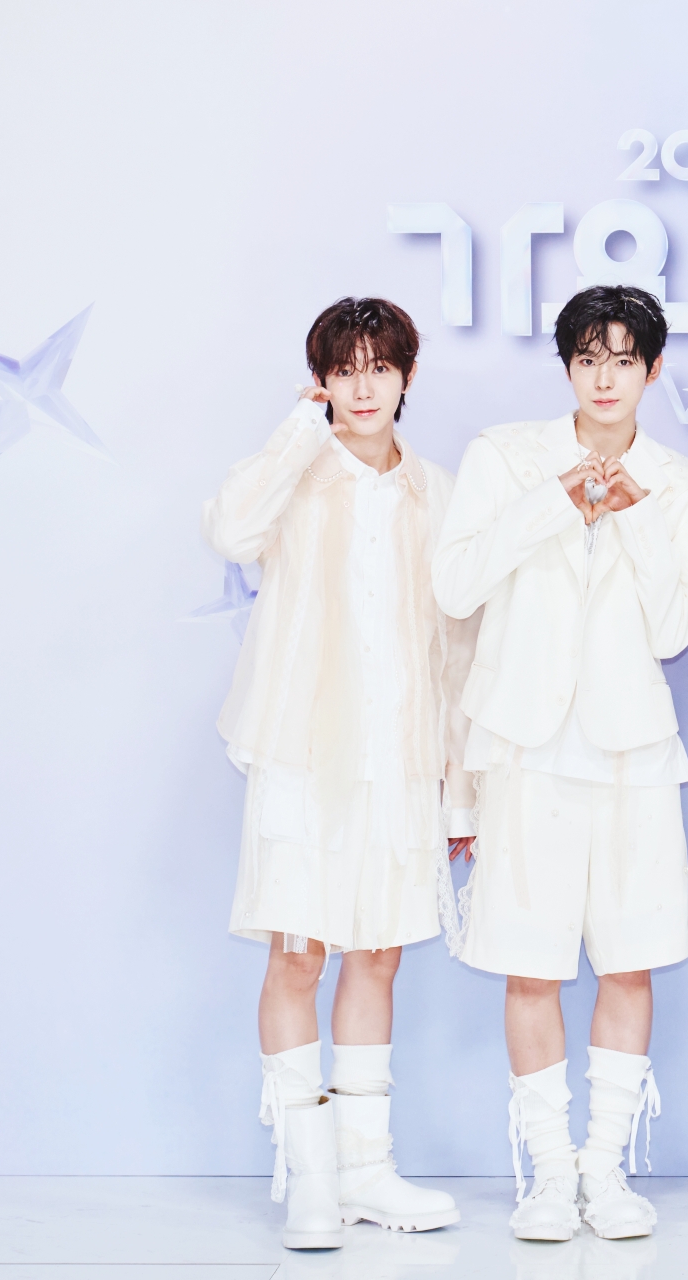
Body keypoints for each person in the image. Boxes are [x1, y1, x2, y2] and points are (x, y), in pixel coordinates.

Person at [432, 285, 688, 1243]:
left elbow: (675, 630)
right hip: (526, 746)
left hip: (632, 750)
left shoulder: (678, 481)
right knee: (530, 965)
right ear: (567, 367)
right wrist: (556, 502)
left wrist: (632, 515)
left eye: (624, 360)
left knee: (629, 963)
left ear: (652, 370)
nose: (605, 378)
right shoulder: (506, 457)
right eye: (589, 359)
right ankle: (549, 1174)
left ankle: (606, 1171)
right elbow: (455, 584)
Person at [204, 297, 474, 1250]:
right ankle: (310, 1179)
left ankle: (366, 1169)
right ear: (322, 380)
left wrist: (459, 788)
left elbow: (455, 647)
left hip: (399, 761)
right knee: (298, 953)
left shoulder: (437, 492)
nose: (364, 388)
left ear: (407, 376)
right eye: (345, 369)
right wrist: (298, 427)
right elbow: (231, 530)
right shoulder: (296, 473)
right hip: (302, 755)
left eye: (379, 367)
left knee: (380, 953)